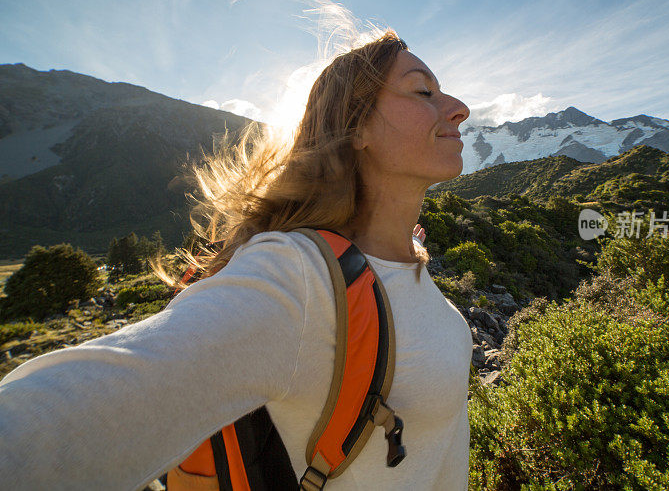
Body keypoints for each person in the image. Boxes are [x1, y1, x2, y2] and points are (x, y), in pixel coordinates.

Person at [0, 29, 472, 490]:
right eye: (423, 91)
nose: (459, 108)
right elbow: (70, 411)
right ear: (356, 127)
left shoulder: (403, 260)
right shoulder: (299, 276)